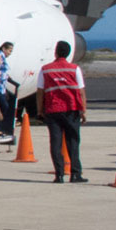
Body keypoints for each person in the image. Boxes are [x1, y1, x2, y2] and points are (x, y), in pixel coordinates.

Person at [36, 40, 88, 183]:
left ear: (56, 52)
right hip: (71, 110)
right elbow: (81, 91)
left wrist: (40, 110)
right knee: (73, 142)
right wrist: (83, 110)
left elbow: (40, 91)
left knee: (55, 143)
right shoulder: (74, 69)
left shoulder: (45, 69)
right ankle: (76, 173)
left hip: (53, 110)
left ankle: (59, 174)